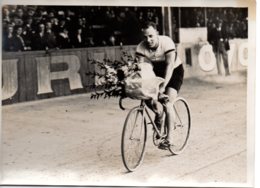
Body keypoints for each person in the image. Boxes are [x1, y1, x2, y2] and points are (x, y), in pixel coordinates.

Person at [135, 21, 184, 149]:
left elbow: (170, 66)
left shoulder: (166, 42)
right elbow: (140, 69)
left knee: (168, 102)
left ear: (157, 33)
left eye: (151, 36)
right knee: (146, 98)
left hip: (174, 71)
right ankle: (158, 114)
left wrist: (162, 87)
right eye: (145, 37)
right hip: (156, 72)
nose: (148, 40)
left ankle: (169, 139)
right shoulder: (141, 47)